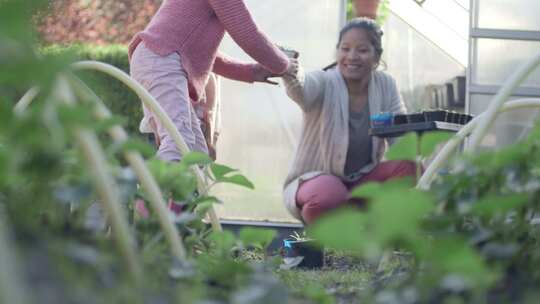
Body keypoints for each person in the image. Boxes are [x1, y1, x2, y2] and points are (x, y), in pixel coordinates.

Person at [281, 18, 416, 224]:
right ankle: (326, 239)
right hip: (316, 180)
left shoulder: (385, 85)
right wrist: (289, 67)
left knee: (409, 168)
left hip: (362, 182)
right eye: (345, 49)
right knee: (329, 196)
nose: (352, 56)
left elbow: (401, 137)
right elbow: (301, 88)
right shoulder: (325, 81)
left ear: (376, 57)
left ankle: (373, 229)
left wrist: (421, 163)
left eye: (362, 50)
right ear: (337, 52)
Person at [128, 0, 293, 162]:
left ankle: (181, 188)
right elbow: (248, 34)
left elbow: (204, 54)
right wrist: (285, 65)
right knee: (179, 142)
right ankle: (156, 188)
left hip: (156, 58)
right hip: (160, 59)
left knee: (197, 153)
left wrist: (250, 72)